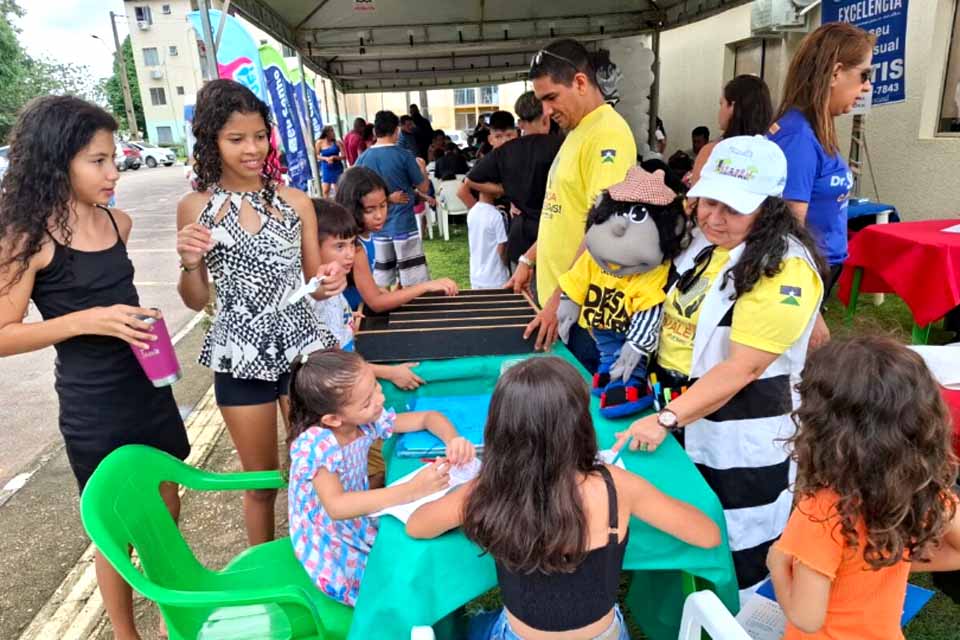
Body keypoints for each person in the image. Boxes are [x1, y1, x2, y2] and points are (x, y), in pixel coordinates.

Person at [0, 95, 190, 640]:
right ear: (57, 161)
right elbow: (5, 335)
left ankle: (172, 621)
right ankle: (125, 634)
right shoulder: (27, 239)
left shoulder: (118, 222)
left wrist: (132, 316)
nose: (115, 172)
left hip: (148, 386)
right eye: (98, 161)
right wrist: (90, 320)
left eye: (113, 158)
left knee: (163, 512)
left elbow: (116, 299)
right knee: (116, 530)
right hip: (93, 402)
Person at [613, 136, 825, 597]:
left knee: (740, 533)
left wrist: (668, 418)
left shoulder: (783, 267)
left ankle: (738, 616)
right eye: (709, 201)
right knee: (686, 514)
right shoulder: (707, 245)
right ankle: (678, 606)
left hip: (741, 424)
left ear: (769, 208)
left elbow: (743, 368)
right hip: (685, 409)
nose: (714, 217)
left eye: (733, 207)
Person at [406, 356, 720, 639]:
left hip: (517, 634)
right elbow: (708, 535)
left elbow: (417, 526)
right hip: (605, 634)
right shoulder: (619, 486)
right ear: (579, 424)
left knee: (469, 625)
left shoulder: (485, 488)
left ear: (501, 428)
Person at [176, 79, 346, 546]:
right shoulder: (195, 207)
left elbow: (316, 283)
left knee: (313, 468)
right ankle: (267, 575)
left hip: (301, 351)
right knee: (260, 482)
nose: (252, 149)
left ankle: (319, 563)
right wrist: (190, 262)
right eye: (236, 139)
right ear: (211, 139)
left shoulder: (295, 202)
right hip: (238, 354)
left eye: (259, 135)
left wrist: (331, 281)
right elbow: (194, 298)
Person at [768, 335, 960, 639]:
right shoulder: (923, 489)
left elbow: (807, 618)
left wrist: (777, 565)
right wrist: (890, 559)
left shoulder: (820, 511)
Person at [287, 348, 476, 606]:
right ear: (332, 419)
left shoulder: (364, 419)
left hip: (358, 515)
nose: (380, 398)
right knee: (387, 591)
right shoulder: (317, 445)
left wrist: (452, 439)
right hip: (330, 538)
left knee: (406, 563)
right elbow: (337, 506)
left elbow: (428, 418)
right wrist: (411, 490)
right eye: (366, 401)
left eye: (375, 386)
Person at [509, 39, 636, 372]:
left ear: (580, 82)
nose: (547, 111)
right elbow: (563, 212)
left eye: (551, 98)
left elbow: (604, 230)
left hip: (583, 315)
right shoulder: (577, 131)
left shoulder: (608, 134)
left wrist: (558, 301)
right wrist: (528, 258)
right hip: (561, 307)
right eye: (541, 101)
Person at [769, 22, 875, 348]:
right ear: (834, 73)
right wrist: (809, 309)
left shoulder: (815, 129)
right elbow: (786, 231)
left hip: (819, 272)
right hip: (803, 277)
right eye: (864, 75)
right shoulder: (798, 136)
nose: (868, 87)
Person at [308, 198, 425, 388]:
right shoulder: (317, 296)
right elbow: (332, 364)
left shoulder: (333, 285)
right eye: (339, 246)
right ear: (311, 247)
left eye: (352, 243)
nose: (350, 254)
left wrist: (346, 317)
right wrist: (389, 372)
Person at [462, 92, 564, 271]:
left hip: (521, 234)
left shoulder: (506, 151)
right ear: (547, 117)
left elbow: (470, 180)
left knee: (522, 292)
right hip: (558, 231)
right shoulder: (563, 146)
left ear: (521, 123)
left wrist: (504, 190)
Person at [335, 166, 458, 311]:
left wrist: (389, 293)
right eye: (370, 210)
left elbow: (370, 289)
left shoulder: (368, 236)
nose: (379, 215)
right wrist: (426, 286)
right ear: (352, 208)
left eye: (383, 205)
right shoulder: (354, 246)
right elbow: (376, 303)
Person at [356, 111, 432, 288]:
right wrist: (422, 168)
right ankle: (410, 311)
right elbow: (424, 188)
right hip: (403, 224)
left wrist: (386, 200)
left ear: (375, 131)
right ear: (396, 130)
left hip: (377, 226)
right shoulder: (404, 155)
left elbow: (357, 193)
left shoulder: (363, 158)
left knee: (382, 279)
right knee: (412, 278)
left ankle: (386, 309)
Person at [690, 75, 773, 187]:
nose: (719, 111)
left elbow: (694, 202)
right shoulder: (772, 156)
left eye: (721, 104)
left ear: (732, 107)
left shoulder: (713, 151)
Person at [467, 190, 509, 290]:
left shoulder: (471, 212)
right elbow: (501, 249)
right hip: (496, 278)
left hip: (476, 276)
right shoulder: (496, 216)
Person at [316, 125, 344, 198]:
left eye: (333, 131)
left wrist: (335, 157)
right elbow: (316, 155)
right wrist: (326, 158)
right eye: (331, 131)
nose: (333, 133)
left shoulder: (338, 143)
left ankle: (340, 205)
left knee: (338, 189)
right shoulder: (319, 143)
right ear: (326, 133)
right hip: (326, 167)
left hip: (337, 167)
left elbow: (344, 156)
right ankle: (325, 205)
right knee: (325, 190)